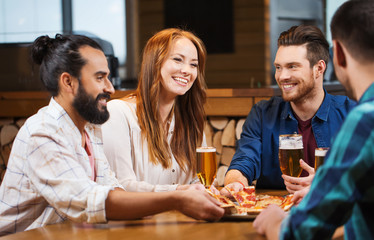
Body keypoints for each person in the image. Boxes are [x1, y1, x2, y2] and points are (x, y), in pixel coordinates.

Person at [0, 34, 224, 236]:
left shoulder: (90, 129)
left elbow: (114, 189)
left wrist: (182, 196)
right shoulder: (42, 132)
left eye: (108, 77)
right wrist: (177, 198)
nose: (111, 88)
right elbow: (89, 201)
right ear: (68, 82)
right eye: (100, 78)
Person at [254, 1, 374, 239]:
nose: (283, 75)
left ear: (337, 53)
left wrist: (275, 222)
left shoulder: (364, 119)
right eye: (279, 67)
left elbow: (303, 232)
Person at [222, 25, 355, 194]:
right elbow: (244, 160)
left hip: (334, 216)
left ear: (319, 68)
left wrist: (329, 184)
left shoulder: (350, 114)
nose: (282, 76)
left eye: (292, 66)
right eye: (278, 67)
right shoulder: (262, 114)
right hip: (275, 214)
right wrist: (235, 182)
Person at [102, 28, 208, 192]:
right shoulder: (117, 113)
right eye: (178, 59)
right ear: (155, 62)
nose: (187, 70)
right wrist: (178, 192)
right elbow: (120, 188)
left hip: (183, 217)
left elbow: (196, 180)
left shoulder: (191, 120)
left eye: (193, 64)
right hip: (135, 218)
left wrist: (207, 190)